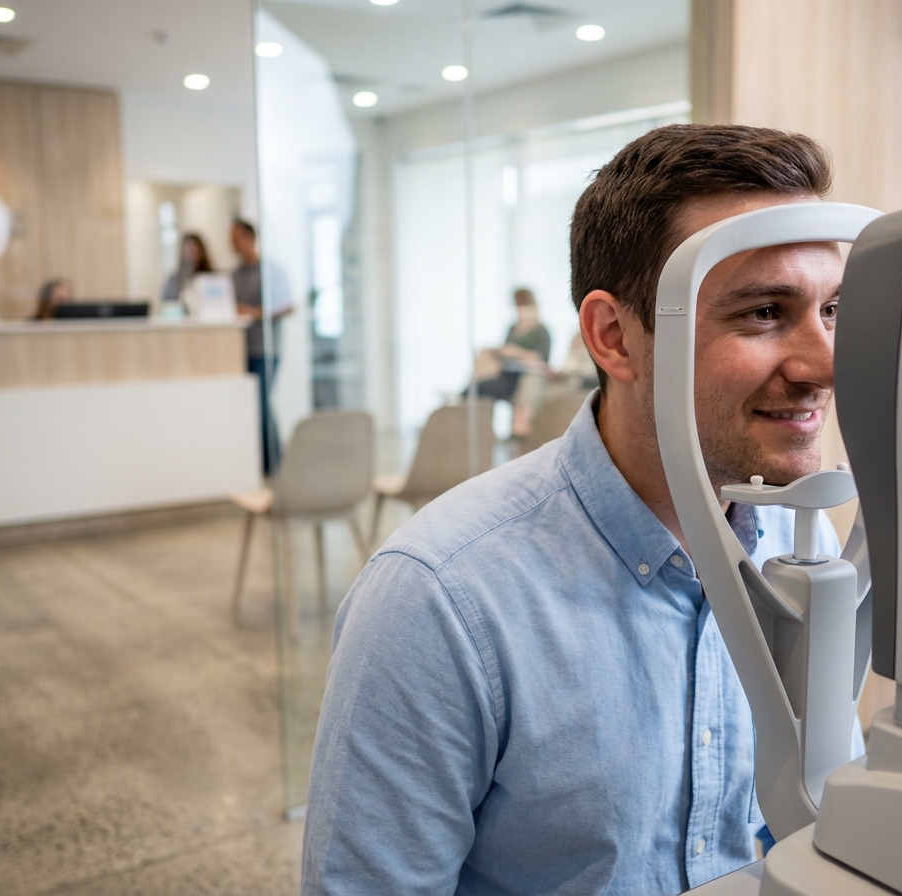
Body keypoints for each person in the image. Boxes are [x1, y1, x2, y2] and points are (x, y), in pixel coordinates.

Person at [302, 124, 859, 894]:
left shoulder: (798, 549)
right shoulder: (440, 601)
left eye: (832, 310)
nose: (824, 363)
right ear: (613, 337)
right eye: (764, 311)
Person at [230, 218, 292, 475]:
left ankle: (276, 465)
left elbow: (287, 306)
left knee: (262, 404)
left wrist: (255, 312)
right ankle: (259, 463)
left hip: (266, 349)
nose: (231, 244)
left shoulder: (270, 270)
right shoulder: (234, 275)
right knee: (250, 406)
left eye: (235, 238)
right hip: (239, 350)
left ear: (249, 238)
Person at [161, 232, 213, 305]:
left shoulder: (213, 278)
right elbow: (166, 306)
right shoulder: (173, 281)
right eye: (188, 250)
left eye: (194, 250)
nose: (191, 254)